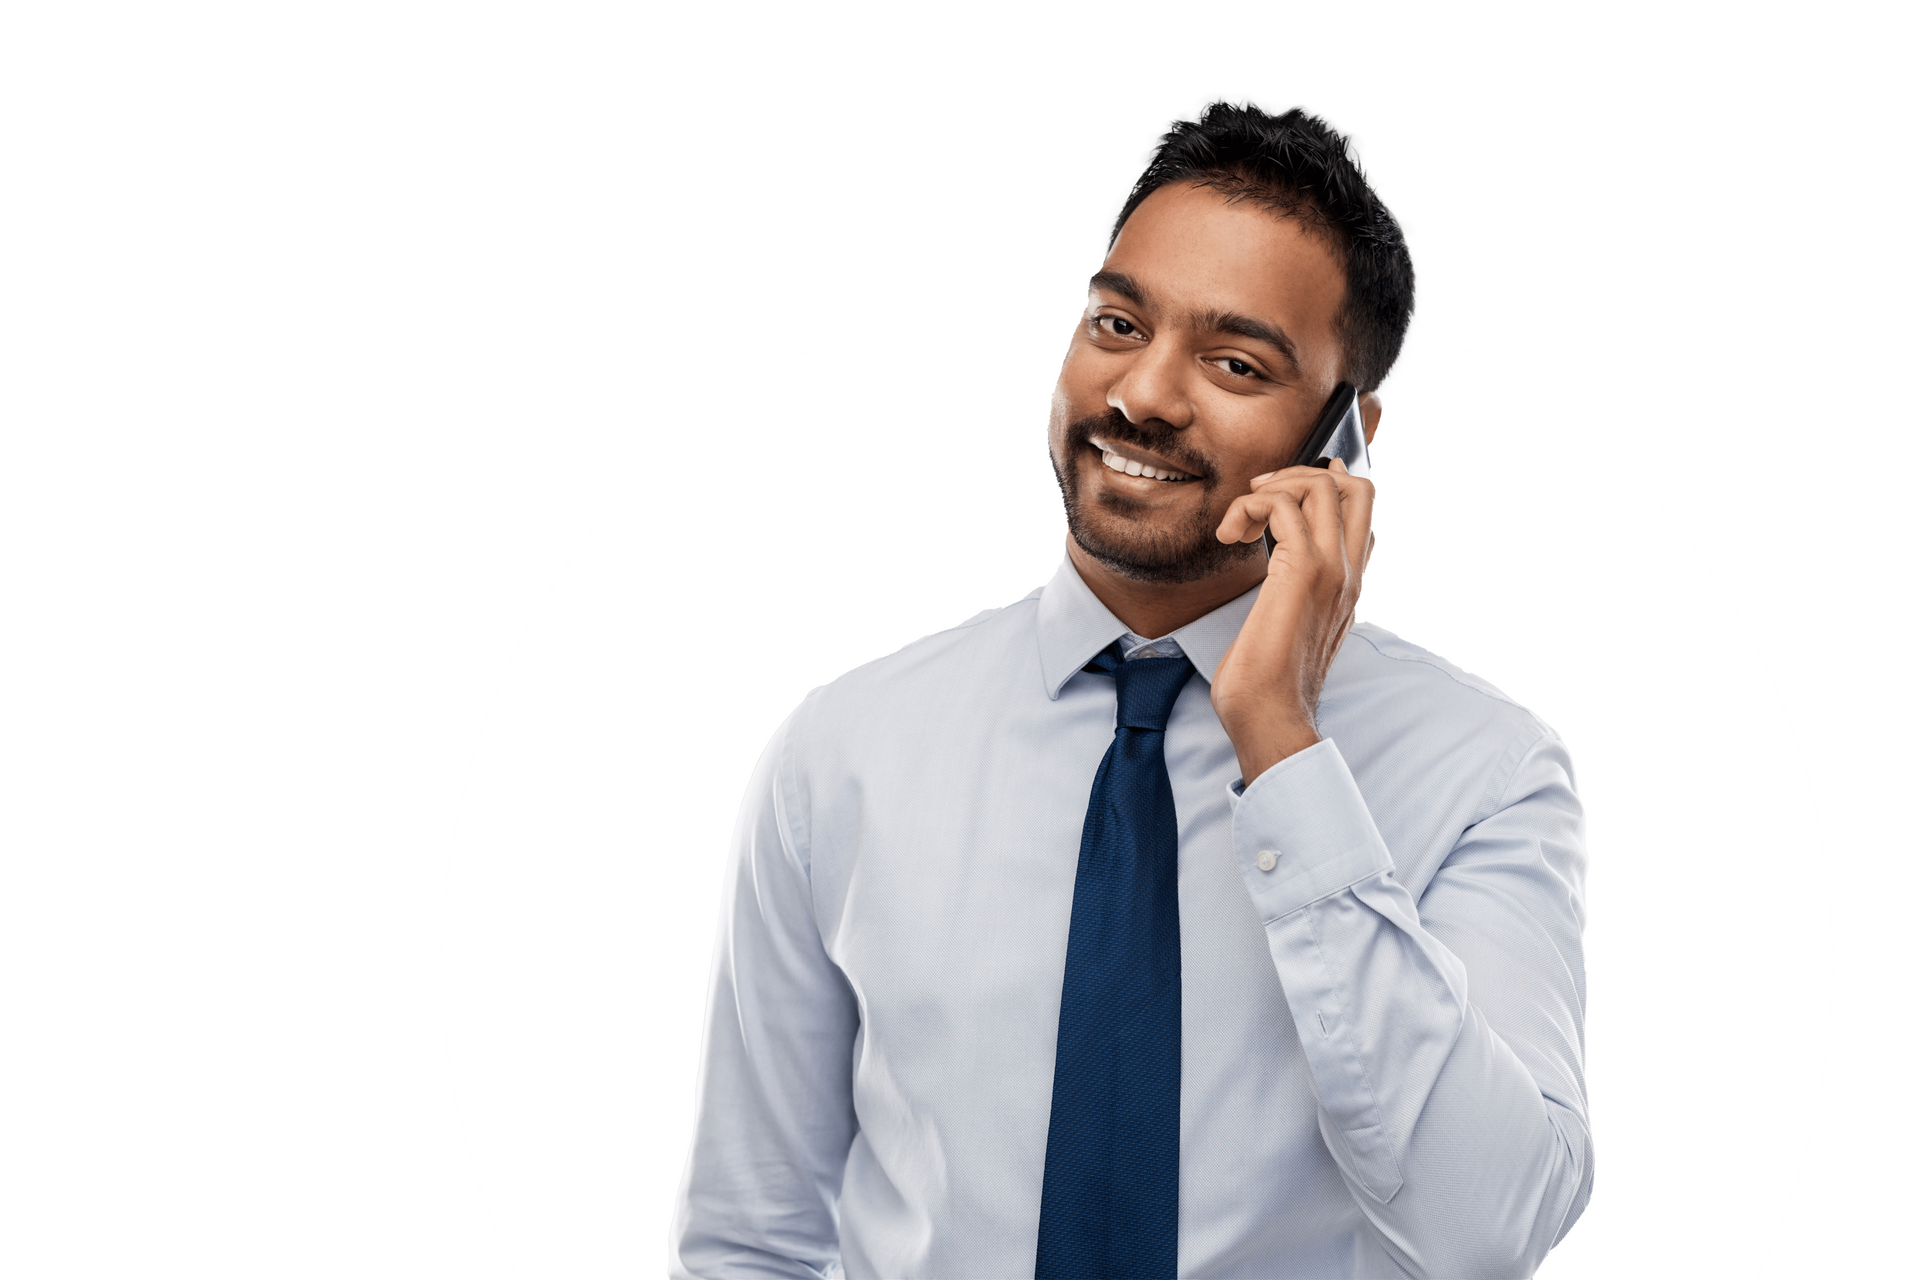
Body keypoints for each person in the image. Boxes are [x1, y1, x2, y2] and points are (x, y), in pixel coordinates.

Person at [669, 92, 1591, 1280]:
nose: (1146, 394)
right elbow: (754, 1236)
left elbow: (1489, 1229)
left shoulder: (1486, 771)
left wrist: (1281, 741)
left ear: (1344, 439)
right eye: (1117, 322)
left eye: (1234, 360)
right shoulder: (846, 749)